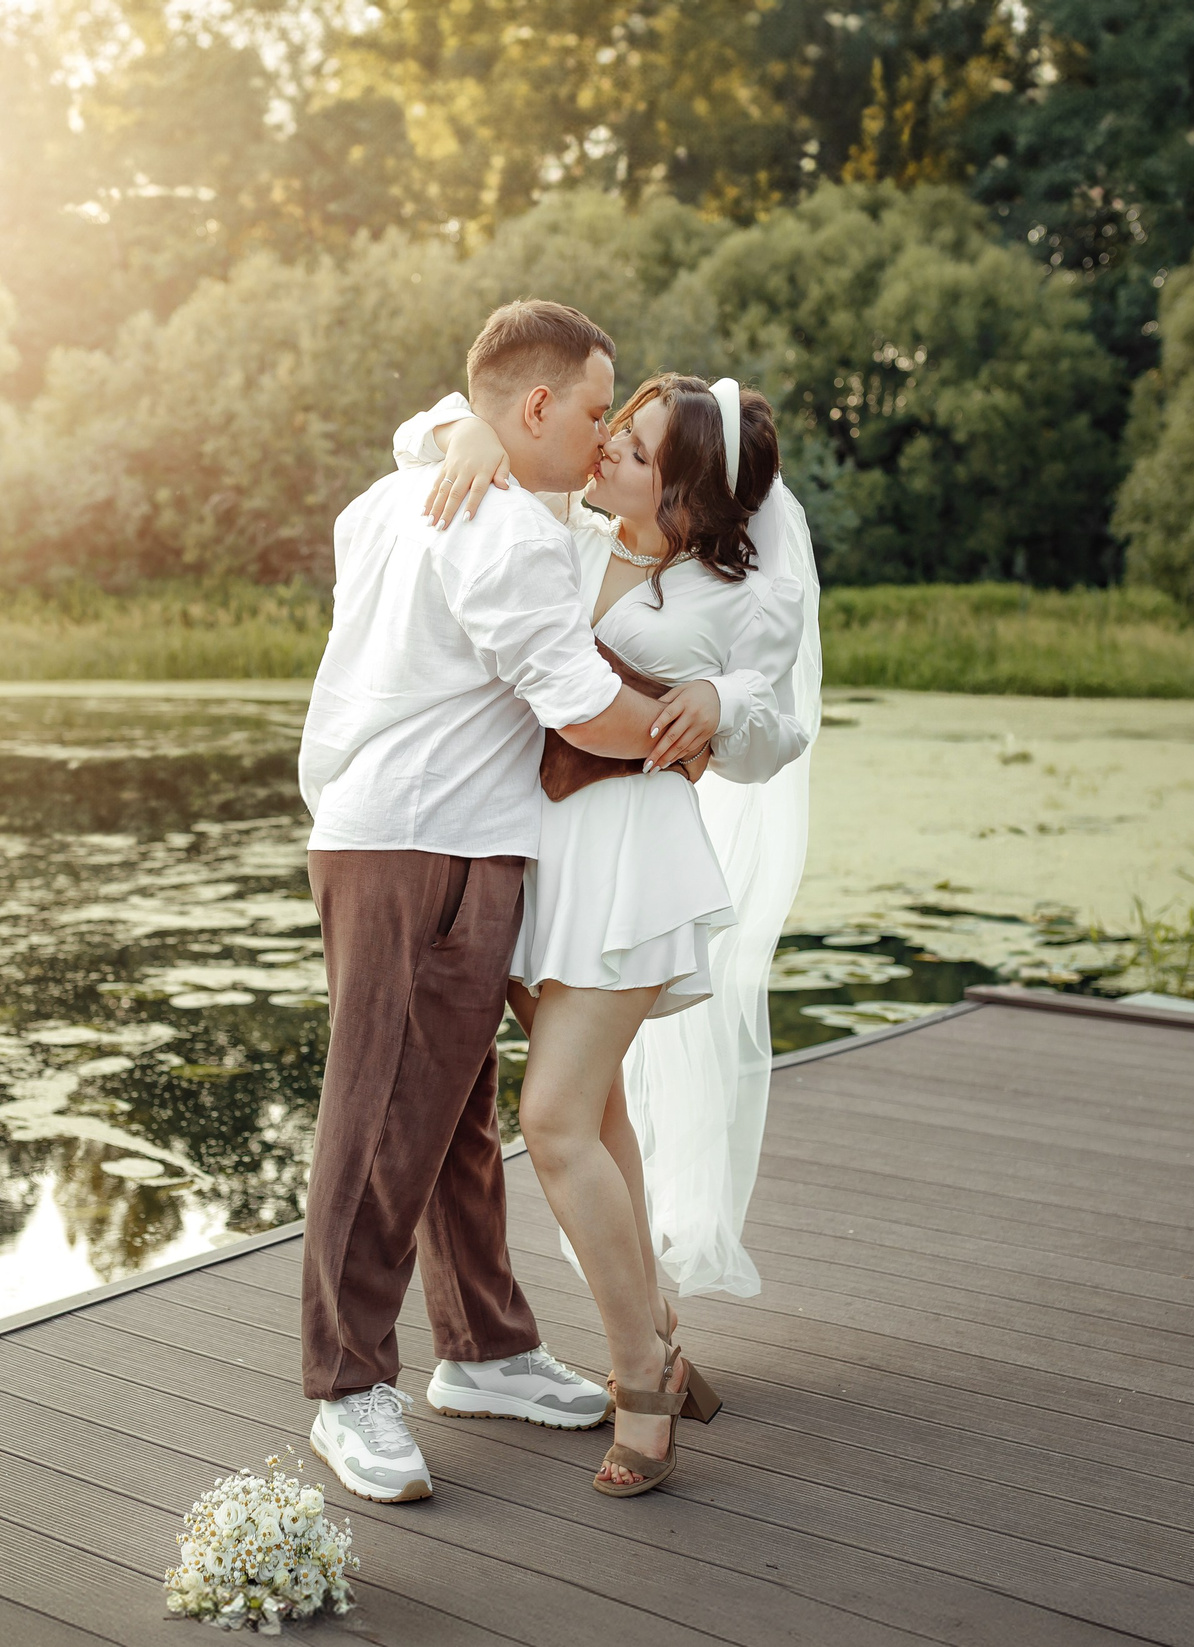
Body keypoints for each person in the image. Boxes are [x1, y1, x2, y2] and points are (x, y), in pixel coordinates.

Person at [296, 301, 715, 1505]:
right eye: (593, 409)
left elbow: (430, 431)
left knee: (448, 1111)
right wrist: (691, 735)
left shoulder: (393, 496)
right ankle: (344, 1384)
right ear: (532, 407)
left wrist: (445, 430)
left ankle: (482, 1350)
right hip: (416, 838)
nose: (601, 438)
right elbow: (579, 707)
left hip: (434, 836)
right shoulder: (505, 529)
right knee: (379, 1118)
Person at [391, 371, 820, 1495]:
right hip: (539, 855)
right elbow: (416, 436)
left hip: (630, 861)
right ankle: (665, 1333)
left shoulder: (739, 598)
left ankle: (640, 1374)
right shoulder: (561, 532)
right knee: (606, 1113)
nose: (604, 454)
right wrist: (468, 434)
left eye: (630, 449)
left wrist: (725, 710)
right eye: (614, 432)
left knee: (554, 1117)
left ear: (683, 493)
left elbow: (782, 727)